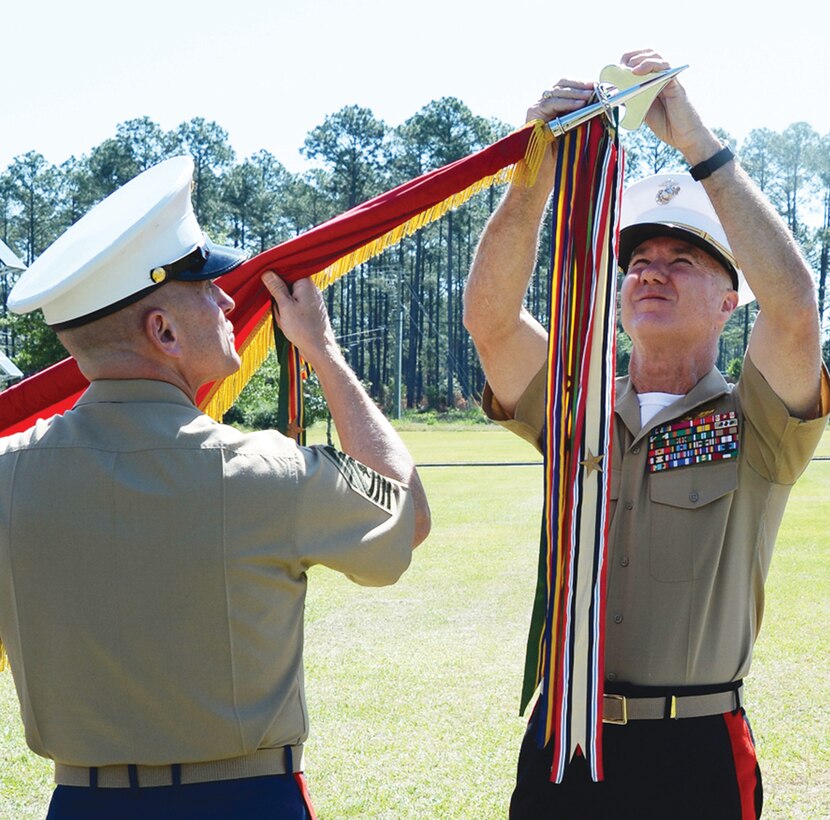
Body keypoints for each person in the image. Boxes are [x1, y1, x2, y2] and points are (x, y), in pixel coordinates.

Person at [0, 155, 430, 819]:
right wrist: (322, 351)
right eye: (206, 286)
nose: (229, 298)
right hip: (246, 800)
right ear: (163, 331)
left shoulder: (8, 477)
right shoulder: (266, 472)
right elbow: (406, 513)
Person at [463, 49, 829, 819]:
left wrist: (696, 141)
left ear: (731, 301)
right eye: (637, 261)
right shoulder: (578, 410)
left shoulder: (757, 423)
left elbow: (795, 310)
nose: (651, 272)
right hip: (562, 742)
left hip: (691, 753)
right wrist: (533, 175)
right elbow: (491, 323)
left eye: (683, 260)